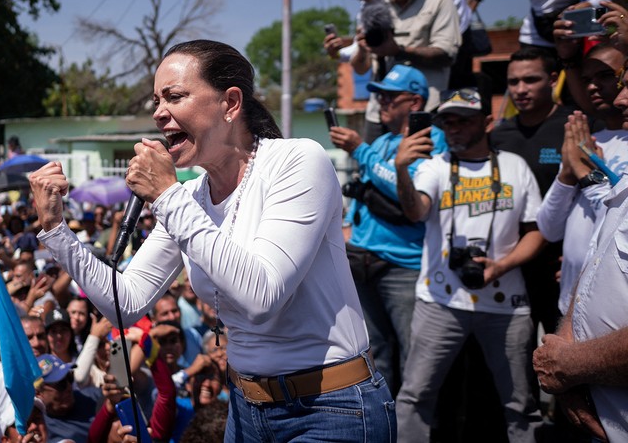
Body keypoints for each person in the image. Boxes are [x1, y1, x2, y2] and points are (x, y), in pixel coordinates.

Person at [30, 39, 392, 441]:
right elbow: (126, 303)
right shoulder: (187, 199)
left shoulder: (297, 161)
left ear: (231, 103)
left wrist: (166, 196)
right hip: (246, 407)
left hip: (330, 408)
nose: (158, 113)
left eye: (174, 96)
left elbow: (262, 296)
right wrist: (55, 230)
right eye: (156, 101)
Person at [393, 88, 546, 441]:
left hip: (506, 302)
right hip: (440, 302)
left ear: (487, 122)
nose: (454, 128)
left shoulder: (514, 166)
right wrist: (402, 169)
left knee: (520, 402)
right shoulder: (435, 166)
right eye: (447, 121)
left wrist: (502, 266)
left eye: (464, 120)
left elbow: (536, 232)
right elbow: (416, 210)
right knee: (414, 397)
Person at [329, 64, 448, 394]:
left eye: (389, 96)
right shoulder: (382, 141)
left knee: (415, 359)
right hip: (362, 261)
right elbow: (366, 192)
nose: (380, 101)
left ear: (414, 102)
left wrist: (360, 150)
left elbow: (404, 192)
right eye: (378, 94)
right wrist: (348, 226)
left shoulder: (431, 139)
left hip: (402, 267)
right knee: (373, 355)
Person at [532, 65, 628, 442]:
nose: (614, 94)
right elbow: (552, 228)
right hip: (575, 337)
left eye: (611, 78)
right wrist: (568, 174)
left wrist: (590, 177)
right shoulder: (586, 141)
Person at [490, 48, 576, 334]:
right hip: (509, 267)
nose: (520, 89)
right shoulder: (498, 136)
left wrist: (580, 251)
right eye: (513, 82)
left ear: (553, 79)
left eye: (530, 80)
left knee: (563, 355)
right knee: (516, 361)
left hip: (560, 268)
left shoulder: (575, 127)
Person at [350, 0, 461, 111]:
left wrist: (398, 51)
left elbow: (446, 56)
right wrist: (362, 49)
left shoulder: (440, 3)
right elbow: (360, 69)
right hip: (379, 111)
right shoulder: (374, 10)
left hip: (425, 108)